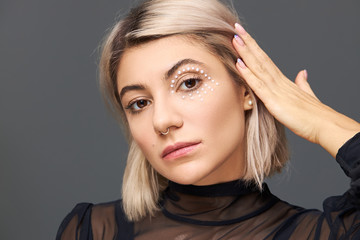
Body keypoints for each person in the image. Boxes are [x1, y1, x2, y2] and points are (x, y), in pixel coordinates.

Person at [56, 0, 360, 239]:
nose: (162, 120)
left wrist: (321, 122)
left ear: (246, 89)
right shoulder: (91, 231)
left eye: (188, 83)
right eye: (139, 103)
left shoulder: (319, 235)